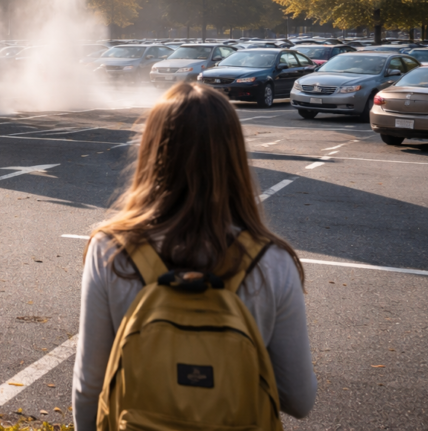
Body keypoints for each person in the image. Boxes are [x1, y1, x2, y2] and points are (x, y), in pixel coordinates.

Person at [72, 82, 317, 428]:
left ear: (152, 150)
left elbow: (89, 386)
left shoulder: (111, 250)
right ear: (233, 156)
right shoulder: (272, 262)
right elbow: (299, 399)